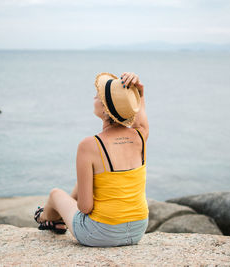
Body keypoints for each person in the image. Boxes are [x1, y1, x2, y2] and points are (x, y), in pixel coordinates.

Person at [34, 72, 149, 247]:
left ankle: (44, 218)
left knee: (55, 194)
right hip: (137, 230)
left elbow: (85, 208)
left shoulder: (89, 145)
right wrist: (138, 93)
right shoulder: (140, 136)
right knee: (93, 177)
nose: (94, 96)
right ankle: (57, 219)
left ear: (105, 109)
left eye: (98, 95)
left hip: (100, 234)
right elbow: (140, 122)